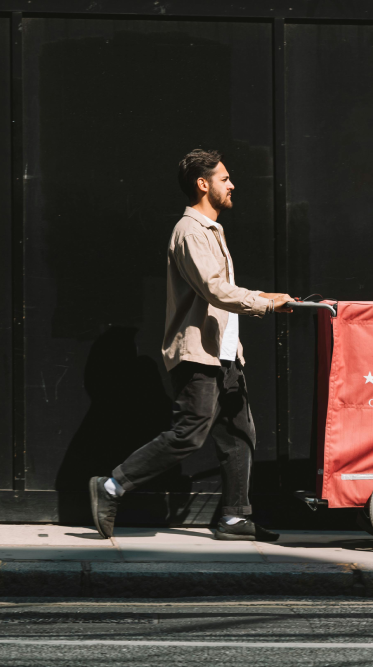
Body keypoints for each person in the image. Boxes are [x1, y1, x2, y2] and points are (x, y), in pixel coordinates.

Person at [89, 149, 293, 541]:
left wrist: (271, 298)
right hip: (199, 354)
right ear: (203, 184)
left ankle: (234, 518)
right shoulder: (190, 231)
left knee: (239, 434)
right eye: (224, 178)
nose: (232, 185)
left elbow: (222, 289)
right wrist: (264, 303)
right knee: (189, 433)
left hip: (225, 353)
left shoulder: (212, 230)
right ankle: (111, 487)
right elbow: (214, 290)